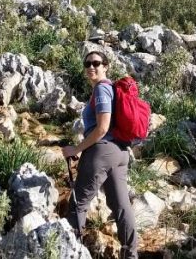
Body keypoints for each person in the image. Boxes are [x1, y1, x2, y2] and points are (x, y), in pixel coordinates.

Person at [63, 51, 138, 259]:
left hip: (102, 151)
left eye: (96, 63)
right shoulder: (111, 90)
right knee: (121, 207)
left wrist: (76, 149)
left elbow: (102, 127)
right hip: (120, 153)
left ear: (106, 66)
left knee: (78, 204)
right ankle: (130, 254)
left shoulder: (102, 90)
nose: (91, 67)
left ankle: (69, 252)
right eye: (87, 63)